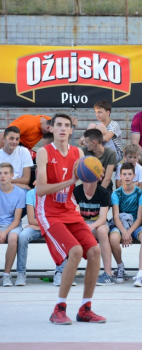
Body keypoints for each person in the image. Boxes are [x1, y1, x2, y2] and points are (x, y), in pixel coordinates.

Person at [35, 113, 105, 324]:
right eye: (59, 125)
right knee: (74, 251)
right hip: (48, 212)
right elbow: (40, 189)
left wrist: (94, 176)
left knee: (94, 251)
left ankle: (85, 308)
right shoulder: (43, 153)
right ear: (51, 129)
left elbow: (84, 183)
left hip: (69, 210)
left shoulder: (79, 152)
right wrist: (71, 181)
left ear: (71, 130)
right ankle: (59, 308)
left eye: (67, 125)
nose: (63, 129)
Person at [16, 181, 72, 287]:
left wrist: (45, 225)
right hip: (38, 227)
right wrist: (44, 225)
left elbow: (59, 217)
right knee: (23, 236)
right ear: (35, 182)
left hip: (51, 227)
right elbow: (31, 219)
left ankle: (60, 273)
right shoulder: (31, 194)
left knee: (63, 235)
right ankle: (21, 273)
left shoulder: (55, 193)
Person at [110, 163, 142, 287]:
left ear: (134, 175)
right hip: (121, 224)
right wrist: (124, 231)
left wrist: (129, 232)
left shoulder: (141, 193)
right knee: (113, 238)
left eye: (129, 174)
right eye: (124, 174)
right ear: (120, 176)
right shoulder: (116, 194)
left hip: (136, 224)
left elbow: (139, 217)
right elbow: (116, 217)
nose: (127, 177)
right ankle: (120, 267)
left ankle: (140, 274)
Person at [73, 182, 114, 286]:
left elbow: (103, 218)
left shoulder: (104, 193)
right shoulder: (76, 191)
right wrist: (84, 226)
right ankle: (70, 272)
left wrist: (92, 226)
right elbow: (76, 214)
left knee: (103, 231)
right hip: (81, 223)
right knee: (70, 231)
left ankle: (108, 274)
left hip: (97, 224)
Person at [0, 163, 26, 287]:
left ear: (11, 175)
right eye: (0, 173)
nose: (2, 176)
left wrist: (4, 232)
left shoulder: (20, 193)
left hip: (12, 225)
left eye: (5, 173)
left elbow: (17, 220)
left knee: (13, 238)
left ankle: (6, 275)